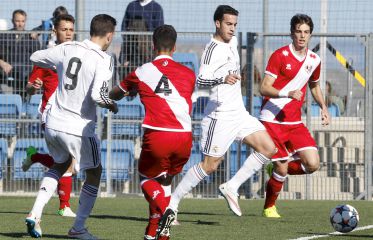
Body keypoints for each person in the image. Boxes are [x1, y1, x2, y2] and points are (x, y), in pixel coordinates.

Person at [156, 5, 277, 238]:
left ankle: (231, 186)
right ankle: (172, 203)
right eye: (228, 24)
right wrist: (223, 77)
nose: (232, 29)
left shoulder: (231, 42)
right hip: (219, 117)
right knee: (210, 165)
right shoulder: (212, 49)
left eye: (235, 25)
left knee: (268, 148)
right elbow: (201, 77)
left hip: (238, 113)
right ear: (217, 23)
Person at [25, 14, 118, 239]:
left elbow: (35, 56)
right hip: (78, 127)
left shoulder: (68, 48)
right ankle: (78, 228)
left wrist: (55, 64)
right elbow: (99, 95)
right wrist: (112, 105)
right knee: (95, 173)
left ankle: (35, 213)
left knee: (60, 164)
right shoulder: (104, 59)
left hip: (53, 122)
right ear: (109, 35)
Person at [109, 24, 195, 240]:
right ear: (175, 47)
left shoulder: (142, 71)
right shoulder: (188, 73)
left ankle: (167, 210)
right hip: (184, 137)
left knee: (146, 178)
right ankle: (154, 234)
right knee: (164, 181)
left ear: (153, 46)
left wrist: (118, 92)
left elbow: (117, 93)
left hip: (158, 134)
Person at [260, 14, 330, 218]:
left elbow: (314, 86)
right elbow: (264, 87)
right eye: (298, 31)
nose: (302, 36)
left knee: (313, 164)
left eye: (306, 32)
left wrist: (323, 107)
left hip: (295, 122)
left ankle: (277, 170)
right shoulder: (280, 55)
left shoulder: (314, 60)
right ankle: (269, 207)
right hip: (272, 119)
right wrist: (287, 93)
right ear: (292, 33)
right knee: (281, 169)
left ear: (310, 35)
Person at [22, 14, 76, 218]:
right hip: (50, 113)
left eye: (71, 29)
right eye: (64, 29)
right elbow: (29, 87)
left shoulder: (77, 54)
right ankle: (64, 206)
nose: (68, 33)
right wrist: (33, 87)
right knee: (68, 161)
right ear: (55, 31)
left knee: (66, 162)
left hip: (71, 115)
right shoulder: (47, 56)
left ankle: (34, 156)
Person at [119, 0, 164, 79]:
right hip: (131, 48)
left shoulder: (157, 8)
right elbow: (124, 26)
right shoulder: (131, 6)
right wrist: (127, 45)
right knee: (127, 74)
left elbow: (159, 31)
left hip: (148, 50)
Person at [0, 9, 40, 96]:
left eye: (22, 21)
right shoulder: (4, 36)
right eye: (17, 21)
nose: (20, 24)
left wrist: (36, 37)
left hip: (26, 71)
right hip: (8, 69)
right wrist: (2, 63)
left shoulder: (30, 37)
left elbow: (38, 55)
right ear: (12, 21)